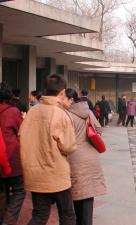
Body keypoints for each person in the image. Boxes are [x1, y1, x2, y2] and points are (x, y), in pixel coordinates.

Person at [20, 74, 77, 225]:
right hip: (56, 175)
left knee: (39, 215)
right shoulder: (61, 114)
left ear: (45, 90)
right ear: (62, 92)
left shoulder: (32, 112)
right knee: (67, 216)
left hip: (35, 174)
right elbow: (69, 146)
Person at [64, 89, 106, 225]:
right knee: (87, 195)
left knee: (75, 195)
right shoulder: (87, 112)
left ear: (69, 100)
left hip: (74, 158)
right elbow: (99, 129)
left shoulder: (66, 115)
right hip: (91, 158)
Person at [0, 83, 25, 225]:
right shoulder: (13, 111)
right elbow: (22, 131)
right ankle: (8, 221)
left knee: (2, 191)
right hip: (11, 160)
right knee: (19, 190)